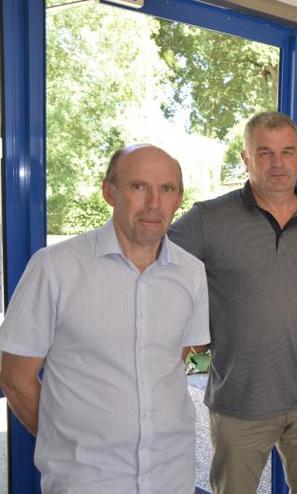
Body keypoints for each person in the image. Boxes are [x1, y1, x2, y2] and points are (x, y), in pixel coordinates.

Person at [0, 144, 210, 493]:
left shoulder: (192, 273)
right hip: (87, 481)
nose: (154, 203)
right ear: (109, 192)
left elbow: (182, 357)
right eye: (139, 186)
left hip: (172, 476)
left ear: (179, 198)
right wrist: (65, 443)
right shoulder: (55, 268)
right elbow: (15, 376)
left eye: (167, 189)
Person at [169, 111, 297, 493]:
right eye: (265, 153)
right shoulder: (208, 219)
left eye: (287, 152)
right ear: (246, 158)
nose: (277, 163)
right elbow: (154, 270)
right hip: (239, 400)